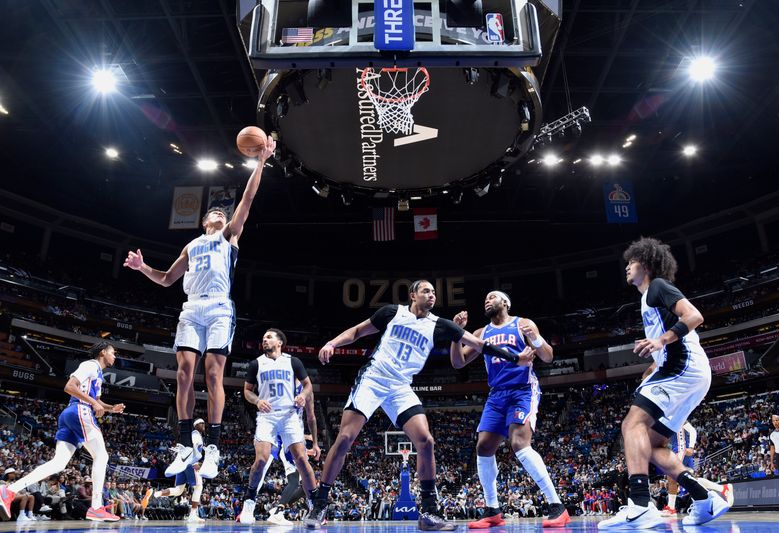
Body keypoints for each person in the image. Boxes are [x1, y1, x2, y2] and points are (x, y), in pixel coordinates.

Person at [304, 280, 531, 530]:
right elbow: (358, 331)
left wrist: (514, 357)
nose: (432, 295)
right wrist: (332, 343)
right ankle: (320, 503)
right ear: (413, 295)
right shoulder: (392, 312)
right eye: (426, 291)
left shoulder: (440, 325)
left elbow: (480, 345)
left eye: (434, 292)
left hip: (401, 386)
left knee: (426, 441)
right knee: (345, 437)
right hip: (374, 378)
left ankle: (429, 513)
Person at [124, 139, 275, 479]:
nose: (221, 214)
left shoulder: (229, 238)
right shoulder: (191, 245)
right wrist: (142, 267)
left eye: (224, 212)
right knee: (183, 374)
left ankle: (214, 447)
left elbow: (248, 199)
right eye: (216, 213)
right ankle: (184, 444)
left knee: (212, 375)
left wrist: (261, 162)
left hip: (220, 308)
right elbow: (165, 280)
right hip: (191, 309)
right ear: (205, 221)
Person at [599, 237, 730, 529]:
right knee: (655, 446)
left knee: (632, 425)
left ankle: (640, 505)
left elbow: (694, 316)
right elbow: (667, 343)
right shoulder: (647, 298)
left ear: (645, 263)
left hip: (684, 367)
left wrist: (661, 340)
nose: (627, 268)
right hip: (687, 371)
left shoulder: (657, 286)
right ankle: (706, 497)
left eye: (630, 263)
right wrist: (654, 361)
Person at [449, 290, 569, 528]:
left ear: (505, 302)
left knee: (519, 443)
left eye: (492, 297)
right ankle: (492, 510)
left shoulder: (522, 324)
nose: (487, 300)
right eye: (485, 298)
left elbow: (548, 356)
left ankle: (557, 506)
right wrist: (455, 335)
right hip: (496, 394)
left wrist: (535, 338)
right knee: (483, 446)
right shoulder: (481, 333)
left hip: (522, 389)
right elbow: (458, 362)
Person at [0, 342, 125, 522]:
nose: (115, 356)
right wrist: (95, 403)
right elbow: (69, 387)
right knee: (102, 457)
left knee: (58, 463)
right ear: (103, 352)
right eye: (113, 352)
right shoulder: (90, 365)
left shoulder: (98, 374)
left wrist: (111, 408)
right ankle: (96, 507)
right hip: (79, 411)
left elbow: (97, 401)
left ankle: (9, 491)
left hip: (71, 416)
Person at [239, 329, 318, 525]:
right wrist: (257, 401)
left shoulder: (293, 362)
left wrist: (303, 395)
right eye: (263, 337)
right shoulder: (256, 363)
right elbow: (247, 391)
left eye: (269, 337)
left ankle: (314, 505)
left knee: (301, 459)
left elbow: (308, 386)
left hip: (290, 415)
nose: (264, 339)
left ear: (280, 342)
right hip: (267, 416)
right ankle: (249, 502)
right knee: (261, 460)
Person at [142, 419, 206, 523]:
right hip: (190, 464)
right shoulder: (195, 434)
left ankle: (155, 493)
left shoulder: (195, 435)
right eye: (201, 423)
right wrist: (195, 463)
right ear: (195, 426)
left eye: (204, 423)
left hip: (183, 464)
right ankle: (193, 515)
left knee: (178, 490)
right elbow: (191, 449)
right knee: (199, 487)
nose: (203, 425)